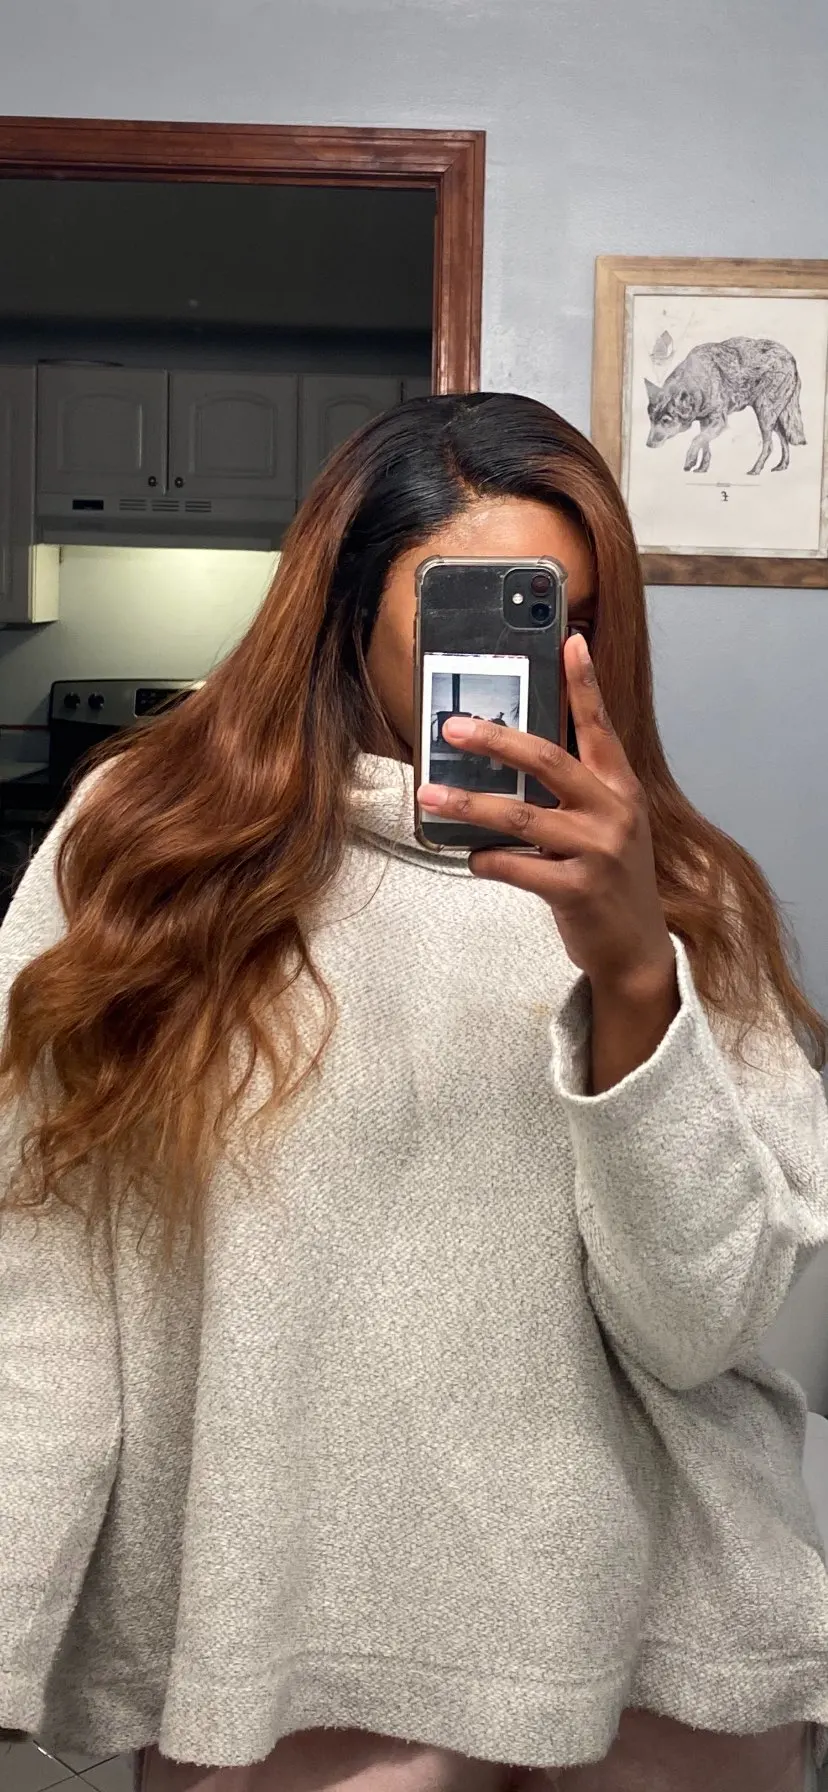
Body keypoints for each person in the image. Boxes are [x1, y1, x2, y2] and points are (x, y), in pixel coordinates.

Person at [0, 392, 826, 1792]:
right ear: (341, 612)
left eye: (565, 619)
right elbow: (41, 1258)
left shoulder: (686, 895)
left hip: (660, 1642)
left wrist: (635, 972)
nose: (512, 666)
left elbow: (700, 1331)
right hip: (292, 1639)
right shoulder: (151, 854)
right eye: (462, 616)